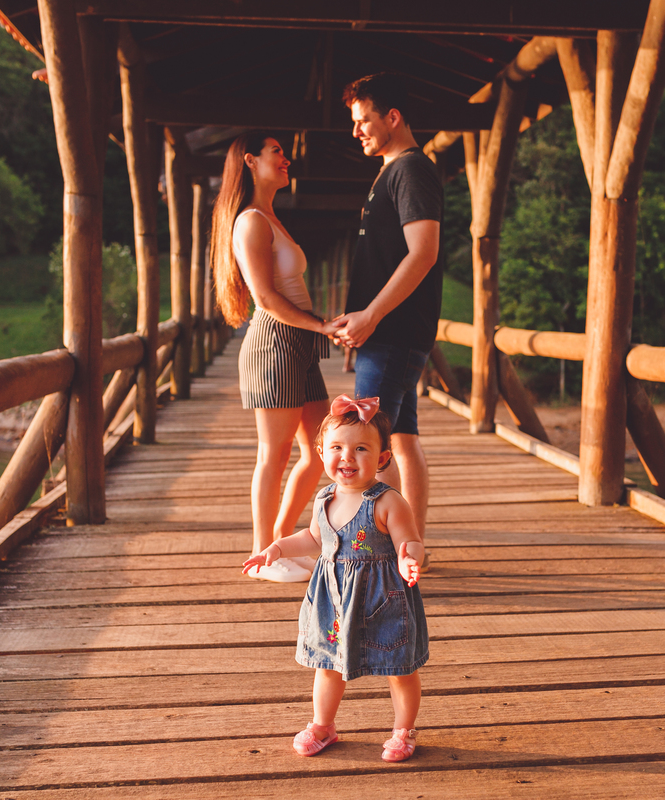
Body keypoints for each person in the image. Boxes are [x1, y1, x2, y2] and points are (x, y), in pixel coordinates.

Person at [243, 394, 428, 762]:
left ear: (382, 459)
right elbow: (315, 538)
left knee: (399, 668)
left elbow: (410, 541)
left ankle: (403, 730)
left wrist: (409, 560)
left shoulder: (388, 501)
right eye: (337, 447)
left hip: (382, 598)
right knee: (327, 664)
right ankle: (323, 724)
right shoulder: (324, 497)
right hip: (333, 597)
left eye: (361, 448)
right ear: (321, 451)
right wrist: (276, 549)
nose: (348, 456)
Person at [212, 131, 340, 583]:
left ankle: (282, 540)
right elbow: (265, 298)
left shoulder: (271, 217)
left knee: (321, 451)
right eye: (276, 152)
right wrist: (323, 325)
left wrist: (323, 326)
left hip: (299, 343)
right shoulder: (250, 221)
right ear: (250, 160)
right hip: (274, 344)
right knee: (274, 452)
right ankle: (260, 555)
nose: (286, 159)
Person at [331, 73, 443, 566]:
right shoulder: (390, 171)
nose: (356, 132)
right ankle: (409, 548)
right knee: (402, 438)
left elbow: (424, 253)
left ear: (392, 117)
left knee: (362, 443)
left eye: (363, 121)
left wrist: (372, 315)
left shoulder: (411, 171)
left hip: (393, 332)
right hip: (391, 332)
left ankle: (377, 553)